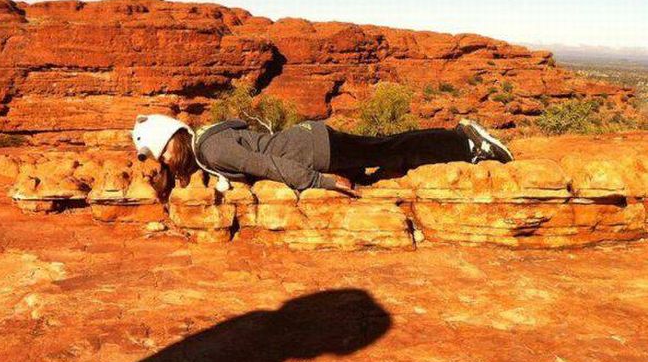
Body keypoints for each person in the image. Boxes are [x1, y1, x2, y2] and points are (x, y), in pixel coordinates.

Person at [131, 114, 513, 201]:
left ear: (174, 139)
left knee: (388, 147)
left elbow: (268, 166)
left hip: (314, 151)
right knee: (386, 159)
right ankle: (459, 147)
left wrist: (322, 182)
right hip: (311, 142)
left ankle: (465, 143)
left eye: (164, 151)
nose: (166, 160)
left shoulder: (210, 148)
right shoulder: (204, 144)